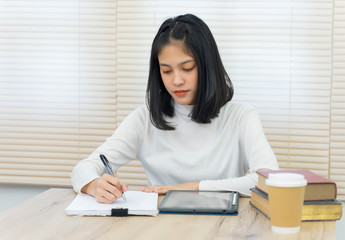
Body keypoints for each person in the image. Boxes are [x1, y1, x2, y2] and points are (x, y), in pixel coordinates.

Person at [71, 13, 279, 204]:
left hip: (222, 225)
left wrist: (191, 188)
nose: (176, 81)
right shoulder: (146, 118)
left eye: (187, 68)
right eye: (166, 71)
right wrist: (94, 185)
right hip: (163, 225)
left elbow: (268, 180)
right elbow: (84, 168)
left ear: (207, 66)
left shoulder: (240, 116)